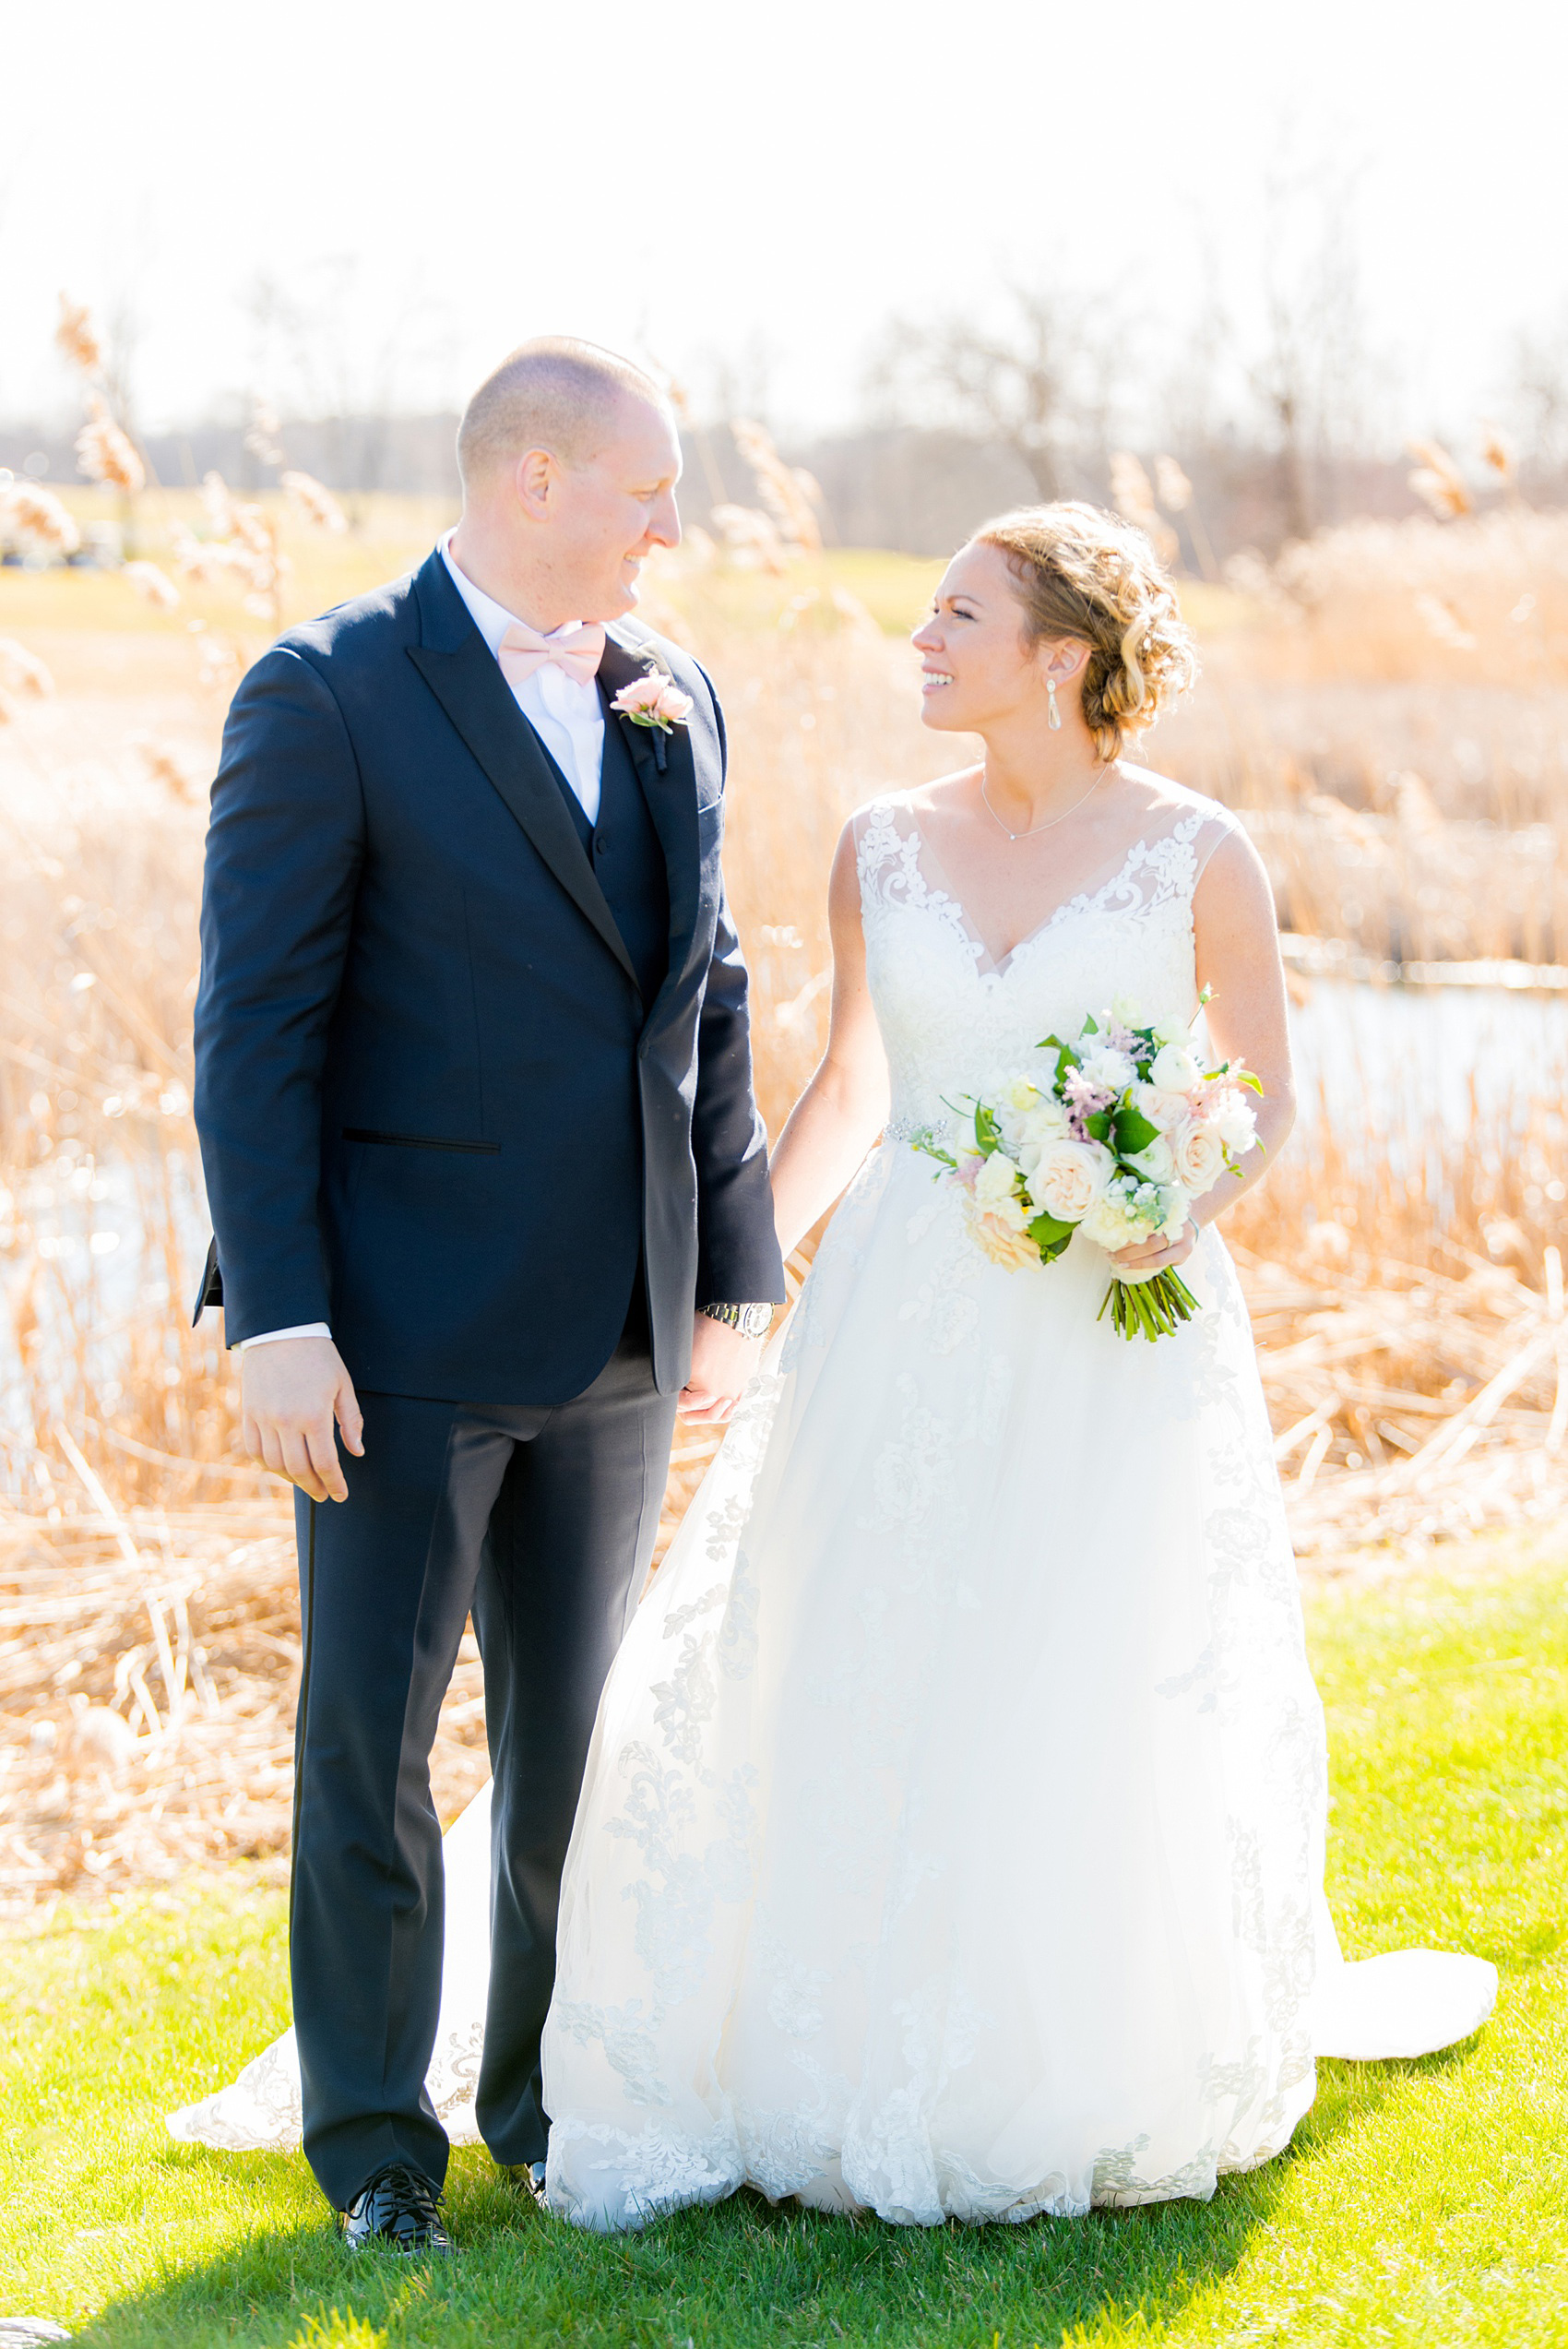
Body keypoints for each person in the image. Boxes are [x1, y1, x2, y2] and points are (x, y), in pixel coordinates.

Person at [175, 500, 1495, 2233]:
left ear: (1063, 655)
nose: (921, 640)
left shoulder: (1200, 852)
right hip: (910, 1310)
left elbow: (1260, 1094)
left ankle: (1076, 2036)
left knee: (1086, 1662)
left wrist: (1170, 1193)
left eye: (958, 615)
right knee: (854, 1654)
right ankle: (813, 2042)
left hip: (1115, 1328)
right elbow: (852, 1093)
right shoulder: (883, 843)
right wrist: (737, 1296)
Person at [187, 338, 785, 2254]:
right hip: (389, 1336)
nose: (672, 528)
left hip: (616, 1323)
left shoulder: (673, 694)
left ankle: (538, 2100)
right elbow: (253, 1031)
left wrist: (726, 1273)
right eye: (646, 490)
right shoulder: (327, 690)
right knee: (374, 1736)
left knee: (577, 1748)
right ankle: (375, 2144)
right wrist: (274, 1308)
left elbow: (709, 993)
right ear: (532, 478)